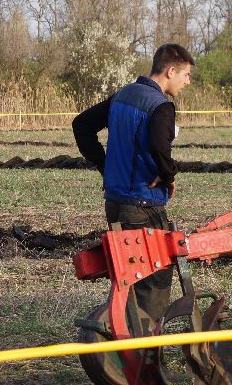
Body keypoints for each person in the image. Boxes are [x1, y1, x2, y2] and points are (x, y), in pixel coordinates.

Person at [72, 43, 194, 327]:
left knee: (127, 274)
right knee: (155, 277)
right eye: (186, 75)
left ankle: (123, 334)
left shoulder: (123, 95)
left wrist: (105, 166)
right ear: (170, 70)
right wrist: (169, 175)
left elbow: (82, 125)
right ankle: (143, 351)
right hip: (143, 204)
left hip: (114, 203)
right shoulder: (161, 106)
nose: (187, 82)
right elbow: (159, 145)